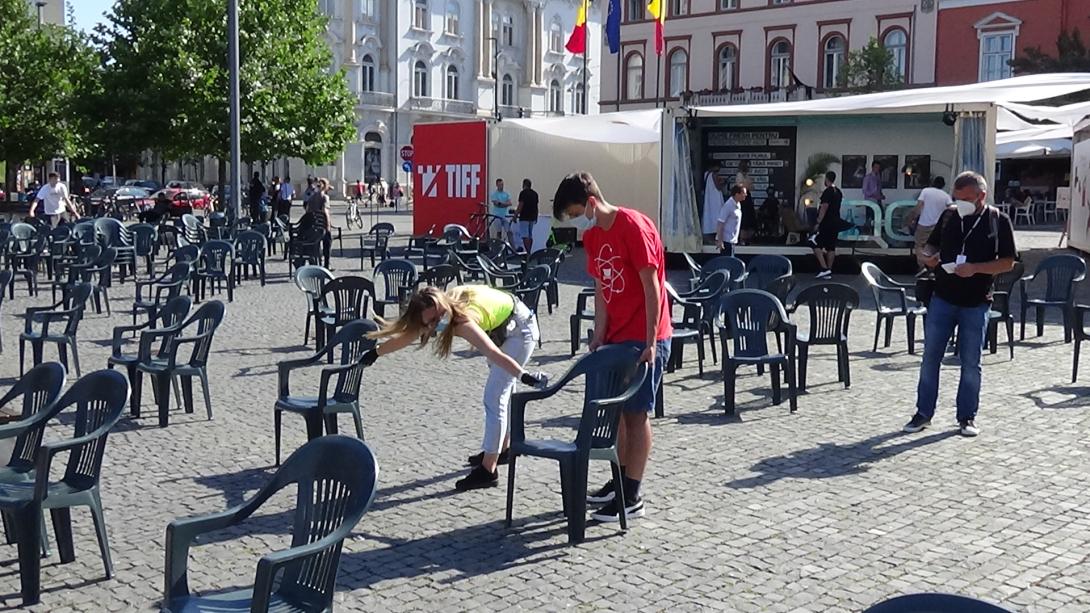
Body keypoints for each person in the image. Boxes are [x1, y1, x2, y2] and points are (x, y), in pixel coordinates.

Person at [552, 171, 672, 523]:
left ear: (591, 202)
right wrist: (598, 334)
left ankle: (632, 494)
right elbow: (602, 290)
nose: (577, 222)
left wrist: (651, 342)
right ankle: (619, 481)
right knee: (617, 413)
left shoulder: (633, 226)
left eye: (576, 214)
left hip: (644, 337)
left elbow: (653, 289)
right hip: (617, 337)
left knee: (636, 415)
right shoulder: (593, 239)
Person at [363, 285, 547, 490]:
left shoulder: (462, 320)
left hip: (519, 329)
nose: (438, 321)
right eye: (431, 322)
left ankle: (488, 471)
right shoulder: (435, 310)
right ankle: (502, 450)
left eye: (439, 315)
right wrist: (376, 353)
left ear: (442, 302)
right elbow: (409, 335)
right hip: (504, 327)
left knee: (494, 397)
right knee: (502, 392)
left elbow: (494, 354)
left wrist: (522, 375)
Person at [904, 171, 1017, 438]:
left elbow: (1008, 262)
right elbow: (931, 247)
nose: (960, 203)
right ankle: (923, 413)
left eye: (966, 198)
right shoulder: (949, 217)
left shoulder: (997, 220)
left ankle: (967, 417)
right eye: (957, 198)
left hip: (976, 301)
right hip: (943, 297)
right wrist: (927, 256)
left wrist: (976, 268)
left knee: (970, 362)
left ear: (982, 196)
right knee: (930, 358)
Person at [908, 176, 952, 259]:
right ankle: (931, 267)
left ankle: (921, 267)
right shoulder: (946, 196)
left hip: (923, 224)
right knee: (934, 247)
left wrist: (911, 219)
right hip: (937, 226)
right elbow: (951, 208)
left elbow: (918, 207)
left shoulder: (926, 191)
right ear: (943, 185)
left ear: (933, 183)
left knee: (919, 246)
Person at [811, 171, 843, 278]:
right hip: (835, 222)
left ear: (826, 179)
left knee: (814, 243)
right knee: (831, 247)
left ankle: (824, 268)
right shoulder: (838, 192)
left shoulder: (828, 192)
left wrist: (818, 221)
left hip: (827, 223)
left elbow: (824, 207)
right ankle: (828, 271)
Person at [302, 177, 333, 268]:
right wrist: (328, 226)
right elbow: (325, 211)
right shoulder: (325, 197)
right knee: (328, 241)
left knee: (316, 243)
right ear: (326, 187)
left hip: (312, 226)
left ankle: (316, 261)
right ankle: (326, 264)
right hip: (321, 226)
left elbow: (307, 210)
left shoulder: (311, 198)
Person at [716, 184, 745, 256]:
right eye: (743, 193)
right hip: (726, 242)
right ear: (737, 194)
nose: (746, 195)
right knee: (727, 264)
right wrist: (720, 241)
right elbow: (720, 223)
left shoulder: (738, 205)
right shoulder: (728, 206)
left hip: (733, 241)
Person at [701, 161, 725, 240]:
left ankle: (709, 232)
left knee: (709, 214)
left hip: (709, 197)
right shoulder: (714, 175)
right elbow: (718, 187)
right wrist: (722, 183)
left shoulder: (706, 174)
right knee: (717, 214)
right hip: (716, 197)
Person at [515, 178, 539, 253]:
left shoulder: (523, 193)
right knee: (530, 235)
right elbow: (536, 206)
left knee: (525, 236)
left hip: (524, 216)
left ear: (524, 185)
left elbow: (520, 205)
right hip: (532, 216)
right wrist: (536, 216)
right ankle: (529, 250)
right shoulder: (535, 194)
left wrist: (515, 215)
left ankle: (528, 252)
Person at [490, 178, 513, 242]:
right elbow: (496, 204)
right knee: (499, 232)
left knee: (509, 232)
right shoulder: (494, 194)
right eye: (500, 185)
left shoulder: (506, 194)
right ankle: (498, 246)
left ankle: (512, 247)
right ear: (497, 185)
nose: (501, 186)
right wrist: (505, 204)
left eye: (502, 184)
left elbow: (510, 203)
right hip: (497, 216)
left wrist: (502, 203)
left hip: (505, 215)